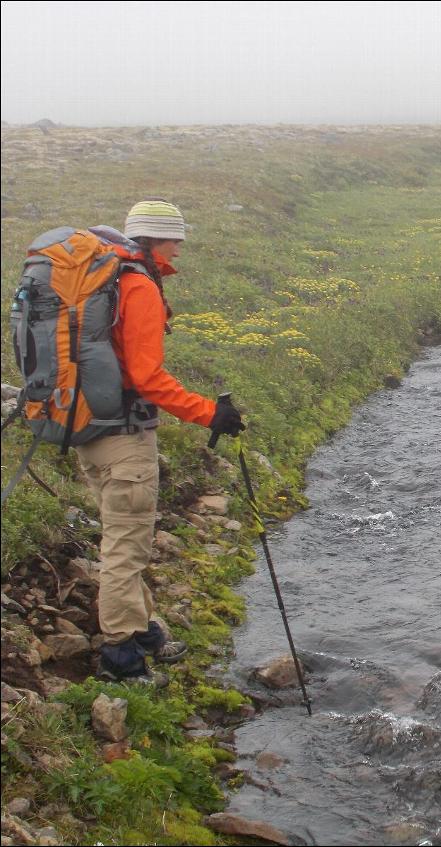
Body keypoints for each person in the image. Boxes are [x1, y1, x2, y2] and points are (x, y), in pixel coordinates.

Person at [74, 198, 246, 683]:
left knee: (122, 538)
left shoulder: (101, 283)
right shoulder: (138, 287)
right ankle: (120, 657)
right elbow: (148, 377)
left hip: (89, 430)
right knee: (125, 548)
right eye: (176, 240)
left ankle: (144, 629)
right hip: (124, 437)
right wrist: (210, 413)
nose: (180, 250)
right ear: (154, 240)